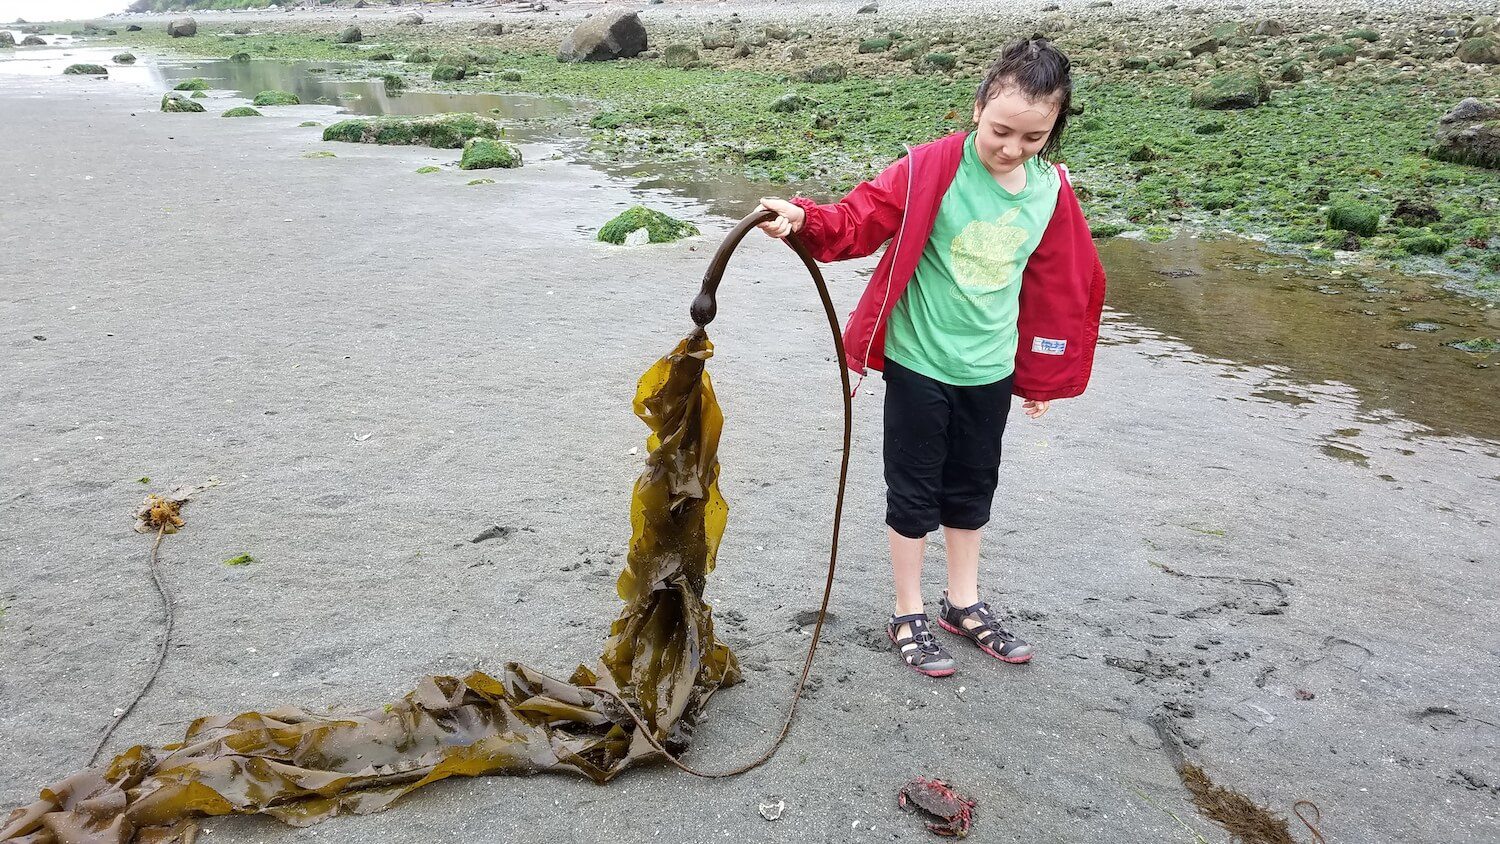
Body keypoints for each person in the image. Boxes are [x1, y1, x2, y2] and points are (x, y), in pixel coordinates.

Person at [757, 37, 1107, 677]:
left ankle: (963, 603)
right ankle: (908, 610)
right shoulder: (928, 169)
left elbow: (1059, 288)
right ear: (978, 106)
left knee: (973, 488)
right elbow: (856, 221)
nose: (1011, 149)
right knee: (914, 491)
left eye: (1033, 138)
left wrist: (1040, 376)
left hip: (991, 369)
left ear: (1054, 129)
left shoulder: (1051, 190)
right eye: (1000, 130)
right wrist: (803, 219)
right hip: (921, 362)